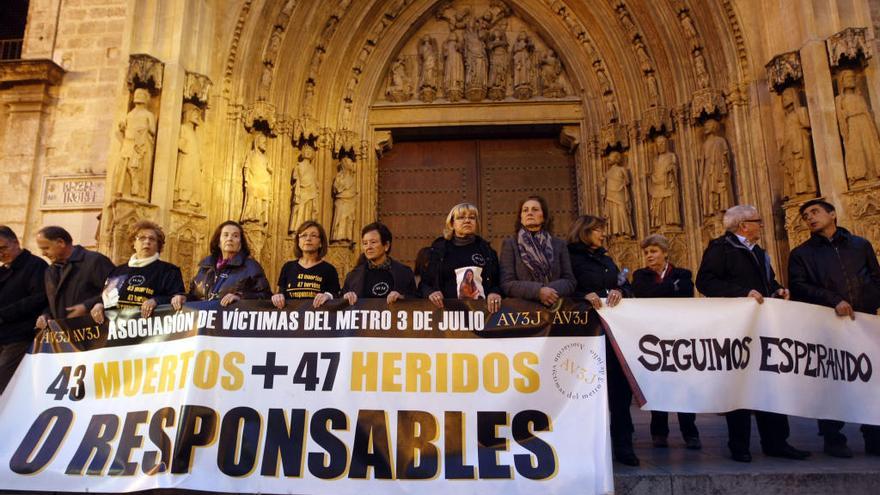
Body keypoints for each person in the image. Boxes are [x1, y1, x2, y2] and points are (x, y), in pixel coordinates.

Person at [695, 204, 810, 462]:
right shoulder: (720, 248)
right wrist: (742, 293)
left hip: (764, 326)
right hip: (736, 327)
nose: (762, 224)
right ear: (743, 225)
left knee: (772, 382)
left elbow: (766, 281)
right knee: (741, 385)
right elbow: (705, 282)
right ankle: (740, 445)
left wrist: (778, 289)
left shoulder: (758, 250)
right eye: (758, 221)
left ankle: (777, 441)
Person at [788, 199, 880, 457]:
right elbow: (799, 286)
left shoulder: (860, 245)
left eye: (815, 212)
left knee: (871, 379)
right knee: (831, 379)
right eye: (806, 216)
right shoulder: (801, 254)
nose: (810, 218)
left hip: (863, 320)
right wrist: (833, 300)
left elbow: (875, 277)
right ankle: (833, 437)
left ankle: (874, 435)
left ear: (832, 214)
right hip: (827, 322)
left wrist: (868, 303)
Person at [567, 215, 638, 466]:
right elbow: (565, 289)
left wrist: (622, 291)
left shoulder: (607, 259)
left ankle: (623, 446)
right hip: (584, 335)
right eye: (598, 230)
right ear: (584, 231)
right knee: (584, 390)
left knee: (619, 392)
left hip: (612, 335)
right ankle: (585, 446)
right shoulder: (570, 258)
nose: (603, 234)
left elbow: (625, 286)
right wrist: (582, 295)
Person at [632, 234, 701, 450]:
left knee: (683, 386)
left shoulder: (683, 274)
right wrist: (672, 288)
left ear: (665, 253)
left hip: (679, 337)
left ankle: (690, 433)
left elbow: (687, 294)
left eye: (653, 251)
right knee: (657, 385)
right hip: (653, 339)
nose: (649, 256)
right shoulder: (640, 275)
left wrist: (662, 291)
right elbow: (643, 295)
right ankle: (659, 432)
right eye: (646, 253)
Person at [90, 221, 185, 324]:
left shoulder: (169, 271)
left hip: (152, 331)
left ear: (158, 245)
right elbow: (106, 297)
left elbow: (178, 299)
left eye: (152, 239)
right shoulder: (117, 272)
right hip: (118, 332)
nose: (147, 242)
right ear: (133, 243)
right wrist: (99, 304)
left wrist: (156, 301)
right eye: (142, 238)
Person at [420, 203, 502, 312]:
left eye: (472, 218)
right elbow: (424, 284)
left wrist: (494, 292)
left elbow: (497, 282)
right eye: (461, 217)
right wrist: (431, 293)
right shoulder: (438, 250)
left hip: (481, 315)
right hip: (447, 316)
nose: (467, 221)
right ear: (452, 223)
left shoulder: (487, 251)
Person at [171, 221, 270, 309]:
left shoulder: (251, 267)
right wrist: (184, 298)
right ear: (218, 241)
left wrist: (240, 297)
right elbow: (196, 297)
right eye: (225, 235)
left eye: (235, 236)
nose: (230, 238)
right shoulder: (206, 266)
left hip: (233, 325)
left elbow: (266, 296)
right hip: (206, 326)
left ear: (240, 244)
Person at [500, 195, 575, 306]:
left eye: (535, 209)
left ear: (543, 216)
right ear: (521, 217)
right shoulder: (510, 244)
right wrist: (538, 291)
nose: (529, 213)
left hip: (555, 309)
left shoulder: (559, 244)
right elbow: (507, 283)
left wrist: (548, 291)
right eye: (525, 210)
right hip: (523, 311)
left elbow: (570, 281)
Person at [35, 226, 114, 330]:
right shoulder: (50, 271)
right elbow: (53, 302)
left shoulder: (95, 261)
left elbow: (116, 290)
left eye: (46, 248)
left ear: (61, 242)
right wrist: (45, 315)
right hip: (65, 335)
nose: (43, 254)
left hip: (95, 331)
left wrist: (87, 306)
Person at [0, 226, 47, 394]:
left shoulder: (35, 265)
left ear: (15, 242)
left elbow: (39, 298)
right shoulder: (4, 269)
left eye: (3, 248)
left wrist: (4, 314)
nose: (0, 254)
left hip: (20, 336)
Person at [342, 222, 417, 305]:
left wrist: (402, 298)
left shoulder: (404, 273)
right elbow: (339, 302)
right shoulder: (353, 276)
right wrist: (346, 297)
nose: (368, 247)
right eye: (365, 243)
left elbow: (417, 302)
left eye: (373, 242)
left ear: (386, 245)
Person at [272, 221, 340, 309]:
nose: (308, 239)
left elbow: (337, 296)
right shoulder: (288, 267)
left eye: (313, 235)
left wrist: (328, 296)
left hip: (317, 318)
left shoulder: (329, 269)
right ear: (298, 241)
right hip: (291, 319)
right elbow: (281, 293)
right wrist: (277, 297)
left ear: (321, 242)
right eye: (304, 235)